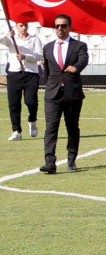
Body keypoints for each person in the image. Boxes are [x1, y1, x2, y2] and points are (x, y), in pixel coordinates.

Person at [39, 14, 87, 174]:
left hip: (72, 93)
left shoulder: (79, 45)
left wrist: (76, 67)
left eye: (64, 25)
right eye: (57, 26)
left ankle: (71, 159)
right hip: (52, 94)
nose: (60, 28)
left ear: (69, 27)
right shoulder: (47, 47)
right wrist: (50, 84)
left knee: (72, 127)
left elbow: (84, 60)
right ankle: (49, 162)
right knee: (51, 128)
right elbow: (47, 70)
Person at [3, 21, 43, 140]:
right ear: (16, 26)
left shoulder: (35, 39)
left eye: (25, 25)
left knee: (31, 101)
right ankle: (16, 130)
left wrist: (26, 57)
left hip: (30, 74)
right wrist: (8, 35)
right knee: (14, 103)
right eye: (21, 25)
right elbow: (2, 41)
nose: (23, 27)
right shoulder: (11, 39)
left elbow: (39, 56)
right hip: (14, 73)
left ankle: (32, 120)